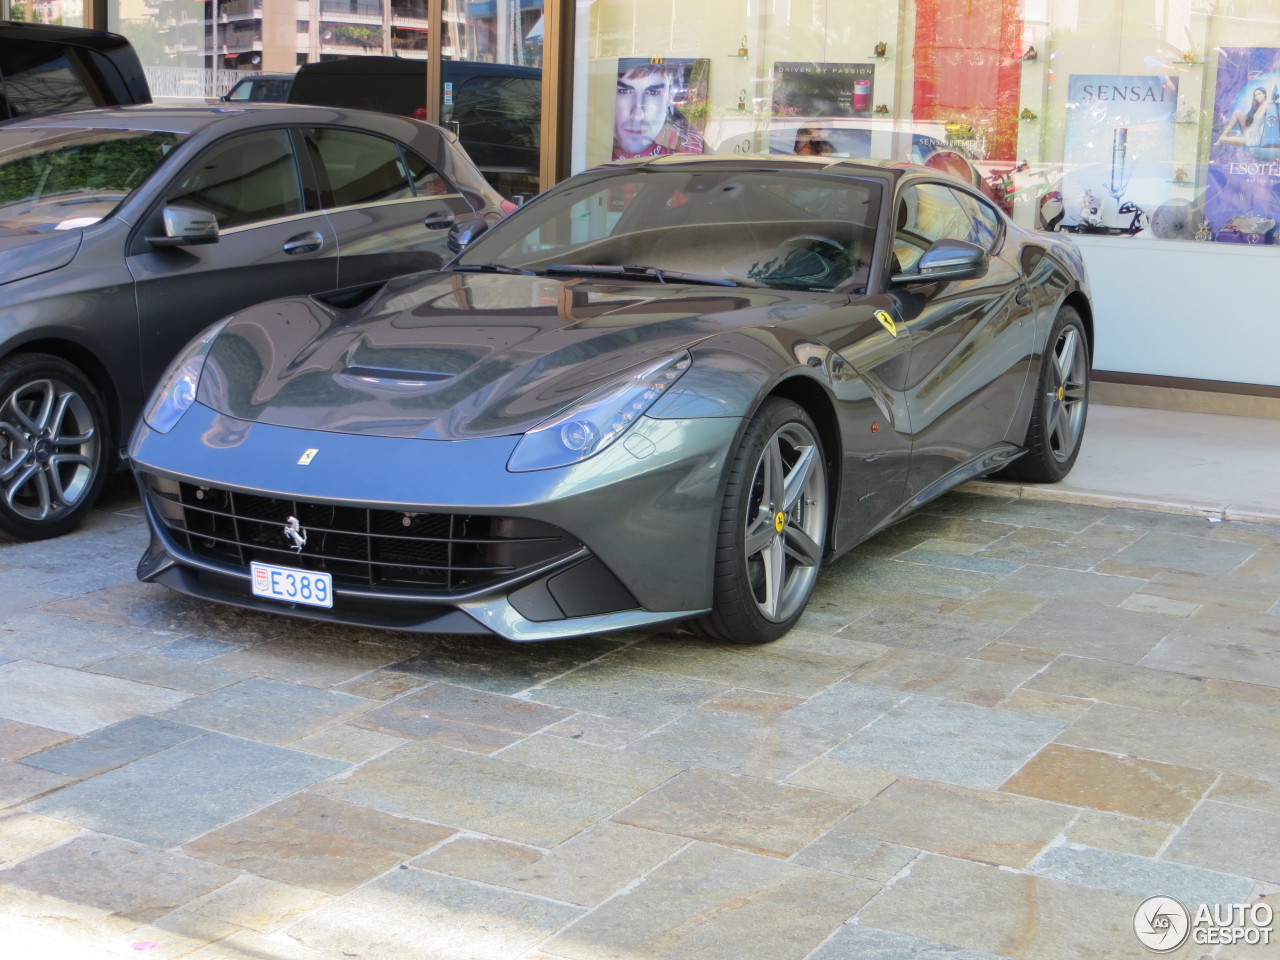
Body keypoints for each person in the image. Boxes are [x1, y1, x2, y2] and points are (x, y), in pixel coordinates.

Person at [613, 61, 705, 160]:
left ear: (670, 98)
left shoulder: (688, 150)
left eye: (653, 93)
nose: (637, 114)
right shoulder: (596, 145)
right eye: (624, 91)